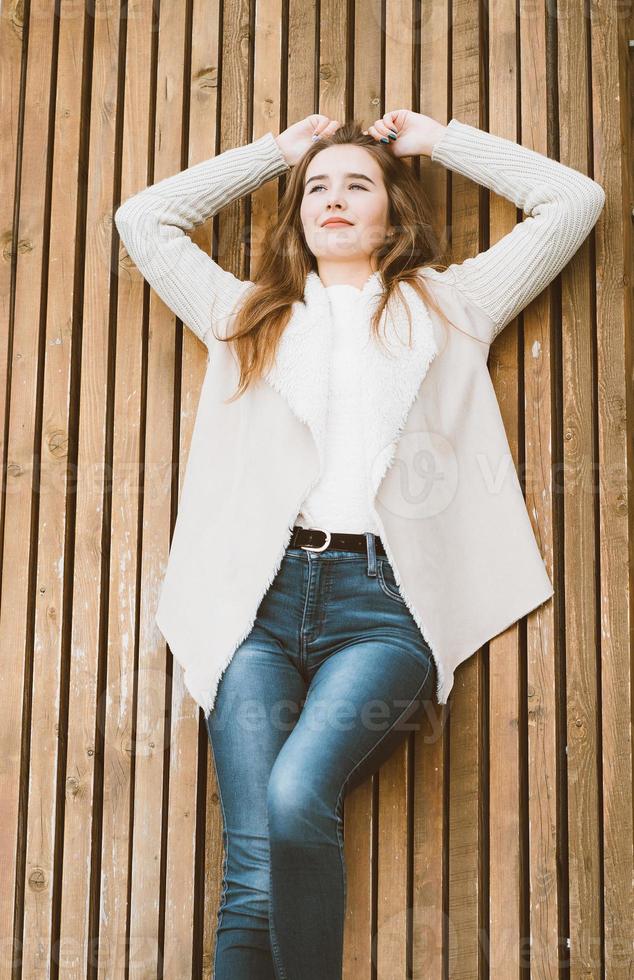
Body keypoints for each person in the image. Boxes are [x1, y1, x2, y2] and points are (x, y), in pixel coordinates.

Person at [114, 109, 605, 979]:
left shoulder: (451, 304)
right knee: (255, 872)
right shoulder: (243, 312)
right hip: (255, 606)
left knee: (300, 797)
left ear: (393, 212)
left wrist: (441, 142)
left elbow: (573, 201)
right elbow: (144, 220)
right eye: (316, 187)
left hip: (380, 606)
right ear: (298, 211)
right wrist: (273, 153)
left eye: (358, 184)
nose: (333, 199)